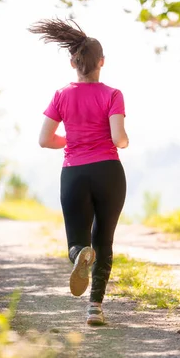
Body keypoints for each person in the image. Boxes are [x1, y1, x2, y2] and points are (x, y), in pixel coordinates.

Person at [30, 19, 128, 326]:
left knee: (78, 242)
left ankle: (79, 255)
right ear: (101, 62)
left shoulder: (61, 95)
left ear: (73, 62)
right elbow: (118, 138)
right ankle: (95, 308)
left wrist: (70, 140)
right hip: (109, 173)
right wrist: (124, 140)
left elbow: (45, 140)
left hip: (74, 173)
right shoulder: (113, 94)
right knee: (105, 241)